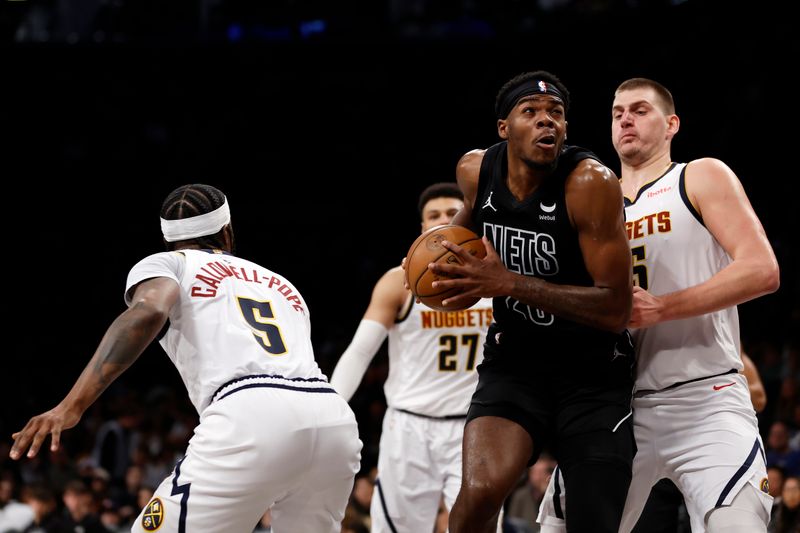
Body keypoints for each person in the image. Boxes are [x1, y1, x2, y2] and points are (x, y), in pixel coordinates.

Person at [8, 184, 362, 533]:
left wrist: (71, 405)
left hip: (251, 412)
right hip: (332, 418)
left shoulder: (168, 263)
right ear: (227, 231)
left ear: (168, 240)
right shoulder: (282, 284)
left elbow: (147, 312)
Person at [537, 78, 780, 532]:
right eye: (617, 112)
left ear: (672, 124)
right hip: (614, 405)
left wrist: (662, 308)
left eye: (640, 109)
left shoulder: (699, 175)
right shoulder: (585, 206)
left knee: (740, 525)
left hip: (706, 398)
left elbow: (762, 269)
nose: (625, 118)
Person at [423, 70, 637, 533]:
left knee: (594, 520)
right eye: (532, 112)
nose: (547, 122)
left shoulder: (589, 184)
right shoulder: (475, 170)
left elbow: (616, 309)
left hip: (592, 377)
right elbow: (456, 240)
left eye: (556, 114)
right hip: (515, 364)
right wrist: (432, 266)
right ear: (505, 128)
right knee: (479, 494)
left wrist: (509, 283)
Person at [330, 182, 494, 532]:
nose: (442, 220)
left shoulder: (494, 278)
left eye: (452, 213)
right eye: (433, 215)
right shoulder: (399, 281)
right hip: (408, 425)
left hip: (474, 426)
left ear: (467, 221)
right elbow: (360, 352)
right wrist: (331, 407)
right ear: (422, 228)